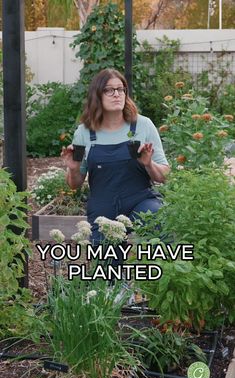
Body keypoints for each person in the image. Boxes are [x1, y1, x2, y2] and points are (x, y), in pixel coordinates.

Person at [61, 68, 170, 247]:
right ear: (97, 95)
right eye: (109, 90)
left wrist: (149, 164)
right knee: (105, 266)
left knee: (158, 226)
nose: (117, 94)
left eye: (121, 89)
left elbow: (164, 175)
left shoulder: (143, 125)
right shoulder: (83, 133)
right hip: (103, 207)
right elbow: (75, 183)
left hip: (140, 200)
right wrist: (73, 169)